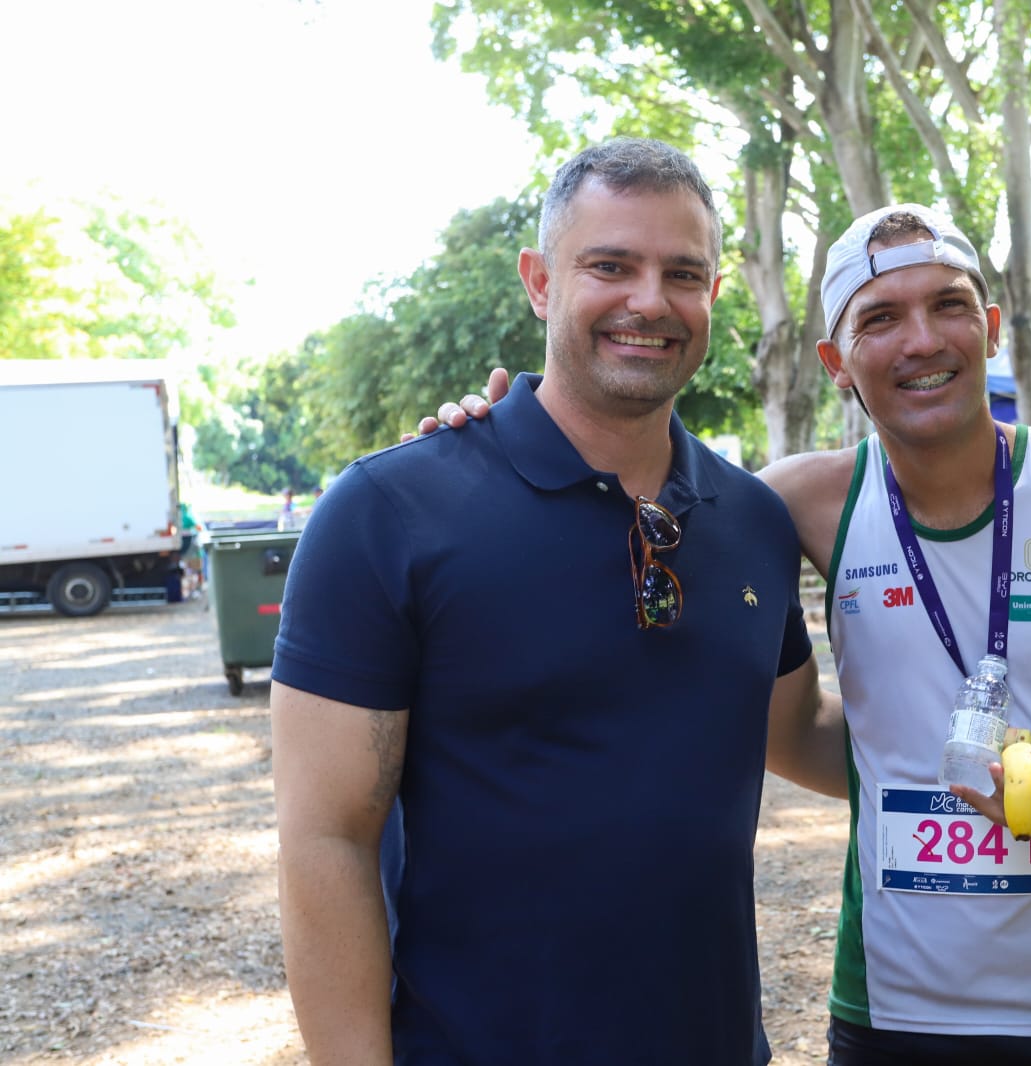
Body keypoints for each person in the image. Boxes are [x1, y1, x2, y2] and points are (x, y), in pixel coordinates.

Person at [430, 204, 1031, 1063]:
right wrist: (489, 445)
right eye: (881, 319)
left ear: (992, 328)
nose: (922, 341)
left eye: (950, 305)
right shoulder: (790, 505)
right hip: (882, 1012)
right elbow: (608, 516)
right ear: (836, 363)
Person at [269, 138, 838, 1064]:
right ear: (540, 280)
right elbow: (326, 841)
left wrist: (1000, 750)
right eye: (610, 265)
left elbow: (798, 729)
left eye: (682, 273)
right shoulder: (390, 513)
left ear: (714, 296)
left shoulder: (753, 522)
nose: (648, 301)